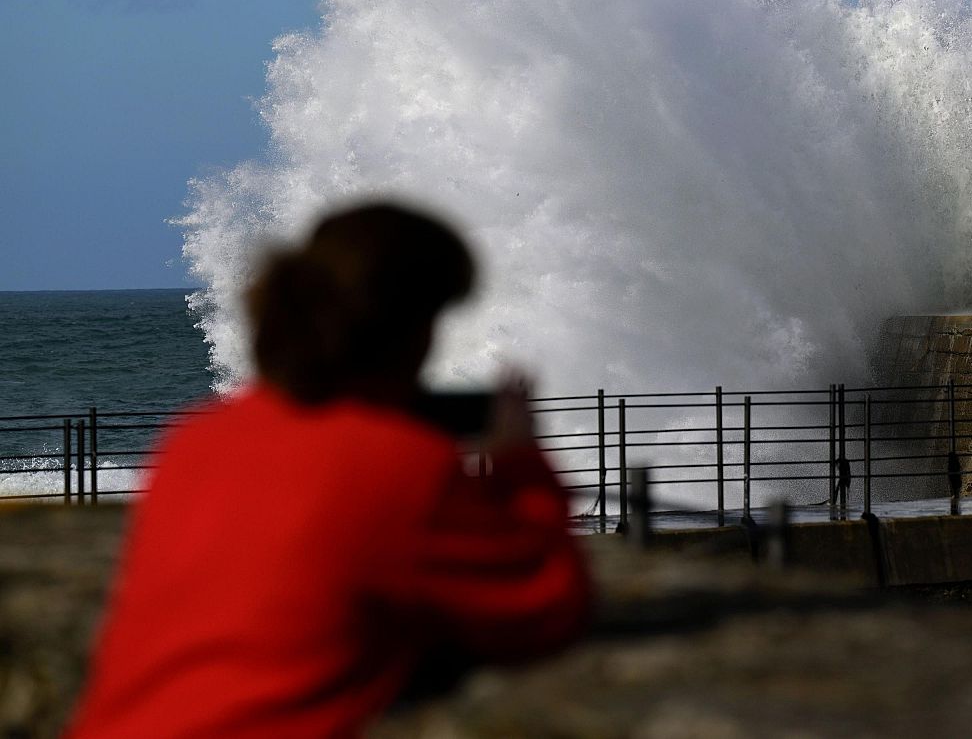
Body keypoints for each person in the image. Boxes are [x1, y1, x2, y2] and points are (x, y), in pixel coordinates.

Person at [69, 202, 591, 737]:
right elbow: (546, 604)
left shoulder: (196, 439)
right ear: (415, 331)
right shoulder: (402, 464)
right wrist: (521, 466)